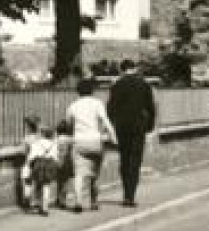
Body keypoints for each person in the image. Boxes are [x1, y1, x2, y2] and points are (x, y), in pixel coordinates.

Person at [107, 59, 157, 207]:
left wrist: (112, 125)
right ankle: (130, 196)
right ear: (134, 68)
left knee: (124, 159)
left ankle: (125, 193)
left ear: (122, 70)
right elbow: (151, 107)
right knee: (135, 161)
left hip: (122, 126)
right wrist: (150, 126)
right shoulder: (144, 84)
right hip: (138, 126)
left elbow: (111, 107)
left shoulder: (117, 85)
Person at [65, 76, 116, 211]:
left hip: (80, 141)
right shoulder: (97, 103)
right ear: (92, 91)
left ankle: (78, 202)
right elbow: (106, 121)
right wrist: (113, 136)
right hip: (95, 141)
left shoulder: (73, 106)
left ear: (78, 91)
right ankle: (94, 201)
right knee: (94, 173)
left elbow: (69, 124)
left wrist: (73, 131)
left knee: (79, 174)